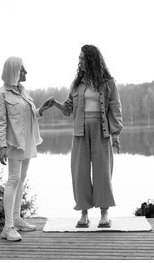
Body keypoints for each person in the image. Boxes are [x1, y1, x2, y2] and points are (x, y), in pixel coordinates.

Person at [50, 45, 123, 228]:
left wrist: (115, 134)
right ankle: (84, 214)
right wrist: (55, 104)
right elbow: (68, 109)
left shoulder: (108, 83)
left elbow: (115, 109)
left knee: (103, 173)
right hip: (80, 134)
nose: (80, 61)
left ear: (92, 59)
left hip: (102, 132)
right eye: (79, 58)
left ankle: (104, 213)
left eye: (83, 58)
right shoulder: (77, 84)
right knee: (80, 173)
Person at [0, 56, 53, 241]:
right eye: (22, 70)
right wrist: (2, 146)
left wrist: (41, 109)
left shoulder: (23, 92)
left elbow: (28, 117)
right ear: (13, 72)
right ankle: (8, 226)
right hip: (13, 143)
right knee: (13, 180)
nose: (26, 73)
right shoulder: (1, 94)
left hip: (27, 142)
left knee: (21, 180)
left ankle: (17, 219)